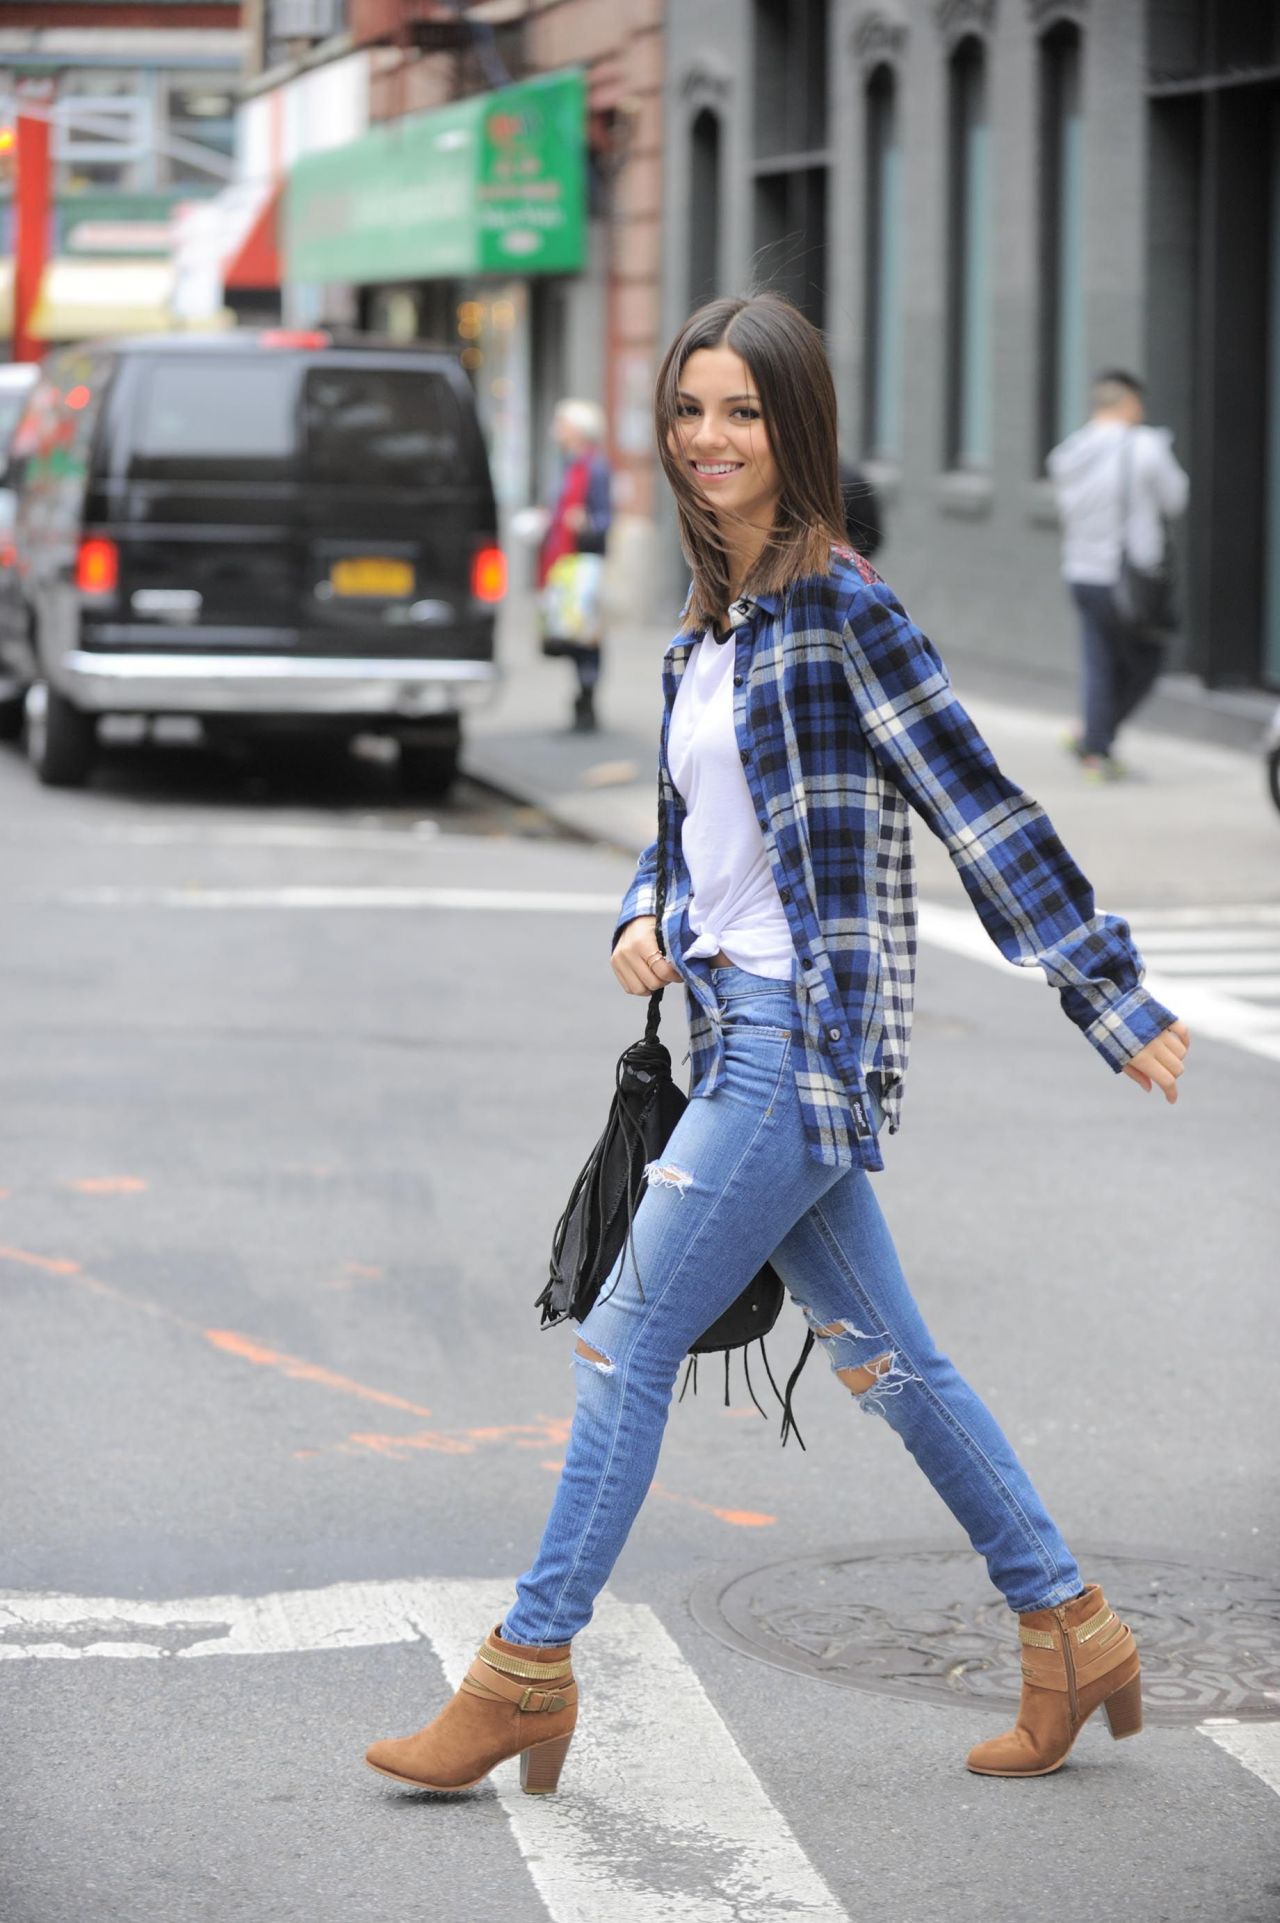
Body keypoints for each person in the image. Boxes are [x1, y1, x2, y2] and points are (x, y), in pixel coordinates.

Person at [365, 294, 1191, 1797]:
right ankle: (1073, 1626)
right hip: (731, 1015)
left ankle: (525, 1673)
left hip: (798, 1045)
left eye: (741, 412)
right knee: (898, 1362)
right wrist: (642, 909)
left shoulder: (844, 614)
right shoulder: (706, 623)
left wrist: (1108, 990)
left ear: (794, 428)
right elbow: (688, 838)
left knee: (623, 1342)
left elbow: (981, 805)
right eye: (691, 410)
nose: (709, 439)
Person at [1048, 370, 1189, 779]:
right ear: (1127, 403)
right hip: (1129, 576)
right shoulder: (1145, 446)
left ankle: (1094, 740)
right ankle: (1096, 742)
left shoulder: (1069, 452)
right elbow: (1176, 498)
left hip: (1080, 570)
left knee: (1099, 660)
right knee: (1147, 661)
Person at [537, 398, 613, 732]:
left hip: (584, 563)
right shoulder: (570, 464)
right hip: (564, 562)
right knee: (569, 633)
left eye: (562, 425)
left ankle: (587, 701)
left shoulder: (594, 468)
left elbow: (604, 518)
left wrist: (586, 523)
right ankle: (582, 698)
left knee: (584, 635)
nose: (557, 431)